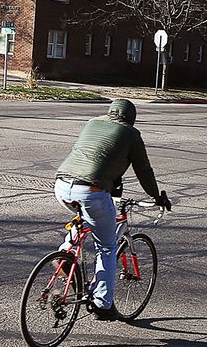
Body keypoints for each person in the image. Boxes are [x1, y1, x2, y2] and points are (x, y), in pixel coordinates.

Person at [54, 98, 171, 320]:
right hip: (91, 190)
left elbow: (95, 155)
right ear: (131, 118)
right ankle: (102, 304)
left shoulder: (92, 123)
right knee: (106, 246)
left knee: (86, 218)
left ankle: (66, 252)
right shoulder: (131, 134)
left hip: (61, 185)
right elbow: (144, 171)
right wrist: (157, 197)